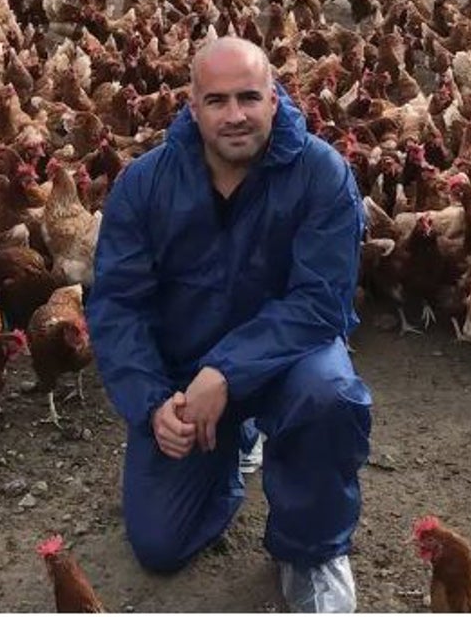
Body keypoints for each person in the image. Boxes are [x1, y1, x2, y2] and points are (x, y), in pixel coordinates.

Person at [85, 37, 372, 612]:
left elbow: (320, 304)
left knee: (329, 393)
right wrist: (151, 403)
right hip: (183, 377)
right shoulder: (145, 184)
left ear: (274, 98)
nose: (235, 114)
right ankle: (232, 449)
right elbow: (118, 305)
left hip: (288, 364)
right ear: (193, 107)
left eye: (249, 97)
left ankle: (311, 551)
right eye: (217, 101)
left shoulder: (321, 175)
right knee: (161, 545)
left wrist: (226, 370)